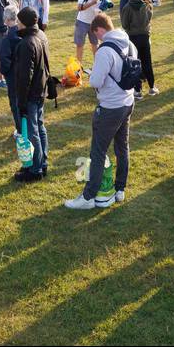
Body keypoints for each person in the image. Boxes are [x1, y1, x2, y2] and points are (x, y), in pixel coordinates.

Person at [65, 13, 137, 210]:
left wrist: (91, 75)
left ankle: (88, 197)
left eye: (95, 34)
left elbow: (96, 81)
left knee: (97, 151)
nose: (95, 38)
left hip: (111, 106)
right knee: (122, 147)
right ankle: (120, 189)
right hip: (127, 102)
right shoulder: (129, 42)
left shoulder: (105, 51)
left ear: (100, 30)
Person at [11, 6, 50, 182]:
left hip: (31, 94)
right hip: (40, 89)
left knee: (32, 131)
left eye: (18, 21)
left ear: (24, 22)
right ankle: (42, 162)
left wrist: (21, 102)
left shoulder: (26, 43)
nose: (17, 23)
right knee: (40, 127)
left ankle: (35, 169)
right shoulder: (41, 35)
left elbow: (24, 76)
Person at [76, 0, 106, 67]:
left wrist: (103, 9)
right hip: (82, 21)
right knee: (80, 44)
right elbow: (79, 7)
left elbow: (107, 4)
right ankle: (78, 66)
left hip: (94, 22)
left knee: (95, 44)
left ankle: (97, 65)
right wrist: (92, 3)